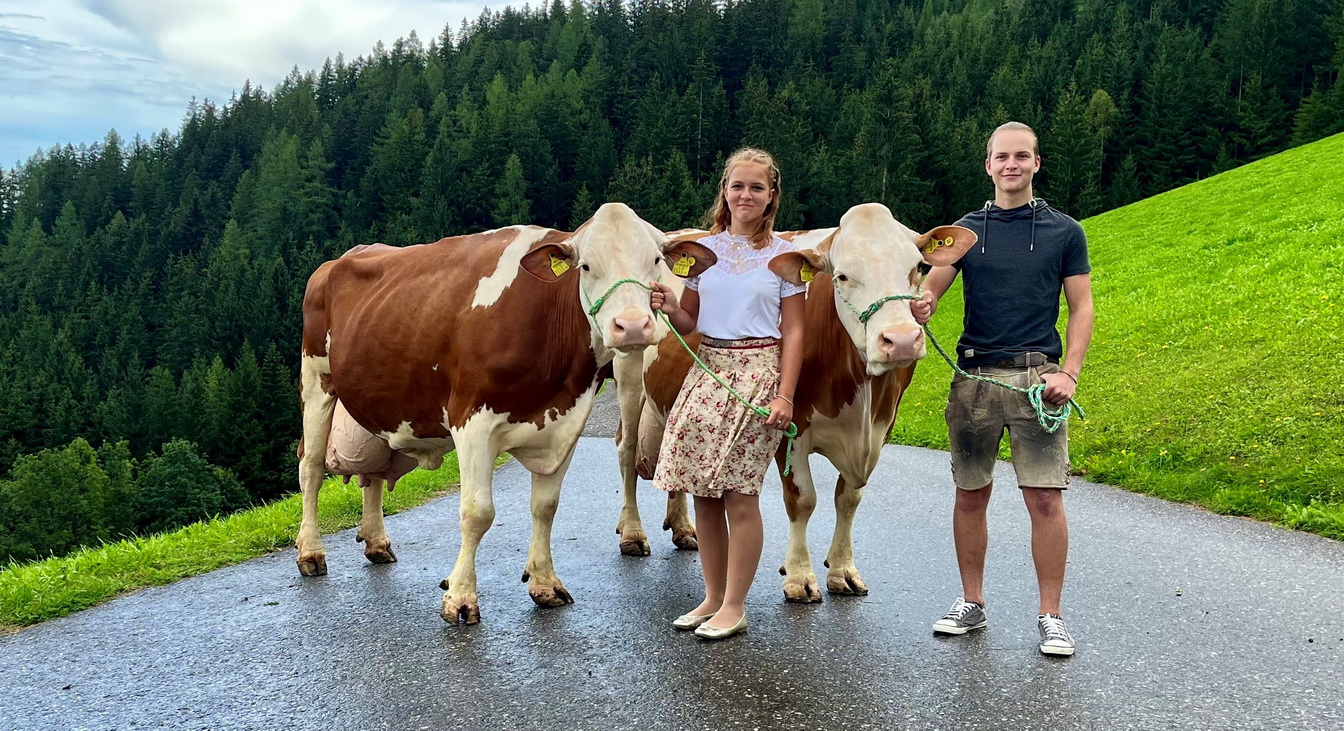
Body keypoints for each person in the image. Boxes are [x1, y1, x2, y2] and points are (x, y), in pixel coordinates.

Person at [911, 121, 1095, 657]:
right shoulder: (964, 231)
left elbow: (1082, 308)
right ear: (988, 165)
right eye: (1001, 157)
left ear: (1036, 164)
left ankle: (1052, 617)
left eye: (1022, 156)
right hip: (974, 381)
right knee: (971, 495)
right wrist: (922, 305)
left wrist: (1070, 373)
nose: (1011, 165)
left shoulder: (1065, 231)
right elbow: (932, 289)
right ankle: (972, 604)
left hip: (1040, 380)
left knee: (1044, 499)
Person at [648, 148, 805, 641]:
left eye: (757, 187)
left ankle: (735, 605)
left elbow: (796, 334)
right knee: (702, 493)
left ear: (772, 195)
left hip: (759, 373)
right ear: (725, 190)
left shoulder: (785, 259)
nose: (746, 195)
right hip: (707, 370)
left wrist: (785, 396)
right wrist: (671, 306)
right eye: (738, 185)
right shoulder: (700, 253)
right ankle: (712, 597)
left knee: (740, 493)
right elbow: (691, 322)